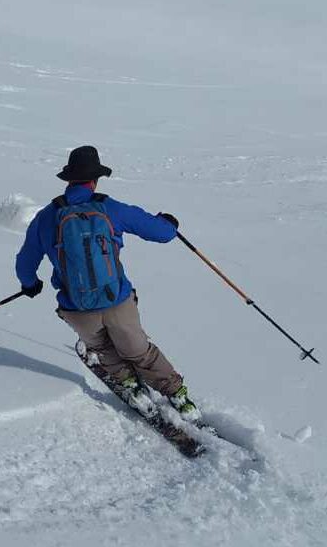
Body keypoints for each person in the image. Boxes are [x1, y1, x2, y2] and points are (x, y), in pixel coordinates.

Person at [14, 145, 199, 419]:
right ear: (95, 180)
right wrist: (168, 223)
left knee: (102, 348)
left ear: (69, 180)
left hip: (77, 307)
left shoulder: (47, 217)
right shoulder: (109, 208)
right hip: (117, 301)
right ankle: (178, 397)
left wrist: (29, 284)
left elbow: (25, 262)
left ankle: (129, 386)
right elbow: (162, 233)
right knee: (140, 351)